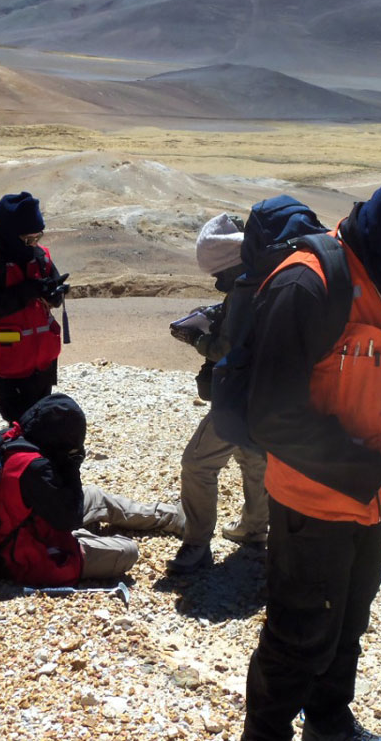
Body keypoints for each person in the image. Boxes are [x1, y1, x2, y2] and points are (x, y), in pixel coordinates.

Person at [240, 168, 381, 741]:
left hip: (373, 498)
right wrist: (380, 469)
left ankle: (329, 723)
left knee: (348, 621)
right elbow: (273, 417)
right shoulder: (308, 285)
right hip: (313, 503)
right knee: (298, 635)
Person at [167, 213, 269, 575]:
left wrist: (197, 338)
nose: (217, 283)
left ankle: (196, 544)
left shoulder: (244, 289)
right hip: (268, 395)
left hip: (240, 397)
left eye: (218, 276)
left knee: (198, 464)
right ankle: (255, 531)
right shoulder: (265, 278)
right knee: (254, 459)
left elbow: (227, 350)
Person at [0, 393, 184, 587]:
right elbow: (70, 519)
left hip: (23, 521)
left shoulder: (13, 439)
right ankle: (90, 541)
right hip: (24, 555)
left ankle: (172, 516)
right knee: (128, 551)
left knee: (94, 495)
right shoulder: (36, 468)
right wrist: (72, 465)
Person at [0, 191, 69, 423]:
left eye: (37, 237)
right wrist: (28, 290)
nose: (33, 244)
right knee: (19, 421)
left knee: (40, 417)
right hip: (4, 363)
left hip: (42, 360)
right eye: (27, 239)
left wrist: (55, 294)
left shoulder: (40, 256)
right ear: (9, 234)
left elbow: (51, 297)